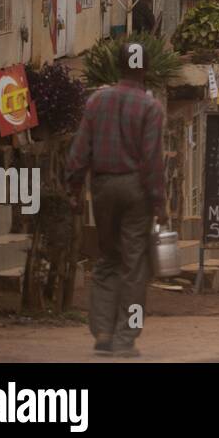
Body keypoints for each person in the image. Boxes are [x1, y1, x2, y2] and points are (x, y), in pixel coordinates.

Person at [66, 41, 166, 357]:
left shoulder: (97, 101)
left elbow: (80, 151)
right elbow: (152, 160)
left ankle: (103, 334)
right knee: (134, 265)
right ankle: (126, 337)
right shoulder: (151, 108)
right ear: (145, 70)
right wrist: (160, 202)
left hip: (104, 188)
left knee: (107, 258)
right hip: (136, 190)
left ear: (119, 67)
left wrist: (74, 188)